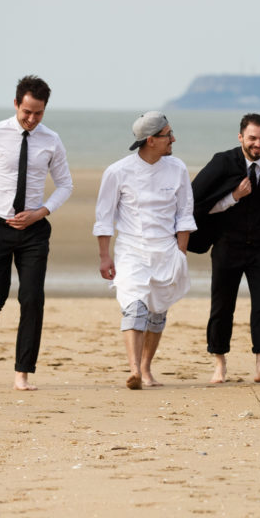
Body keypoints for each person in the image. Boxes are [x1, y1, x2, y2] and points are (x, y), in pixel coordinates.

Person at [0, 74, 72, 391]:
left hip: (34, 231)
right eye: (27, 112)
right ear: (16, 104)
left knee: (32, 299)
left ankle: (23, 372)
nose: (32, 119)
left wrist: (41, 212)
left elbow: (65, 185)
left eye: (39, 113)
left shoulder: (51, 140)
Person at [93, 112, 197, 390]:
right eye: (168, 134)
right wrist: (105, 256)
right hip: (131, 250)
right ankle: (134, 370)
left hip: (166, 251)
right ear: (151, 140)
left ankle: (147, 367)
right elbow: (104, 217)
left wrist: (181, 253)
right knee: (135, 308)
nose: (173, 139)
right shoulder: (117, 171)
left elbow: (185, 215)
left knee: (157, 313)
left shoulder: (177, 169)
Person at [189, 113, 260, 384]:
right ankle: (219, 365)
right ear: (241, 137)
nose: (258, 144)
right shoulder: (223, 162)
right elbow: (197, 201)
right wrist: (233, 197)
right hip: (227, 246)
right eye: (253, 138)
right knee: (222, 307)